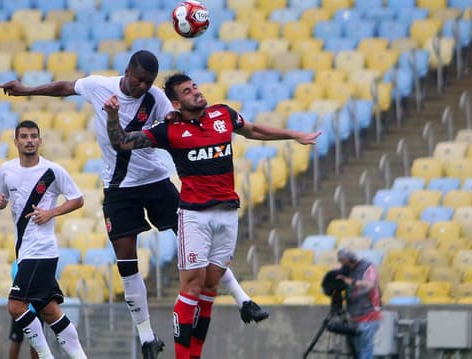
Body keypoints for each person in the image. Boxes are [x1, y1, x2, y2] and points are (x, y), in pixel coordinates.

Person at [0, 50, 269, 358]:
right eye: (139, 80)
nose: (143, 86)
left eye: (149, 82)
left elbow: (178, 119)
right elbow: (64, 88)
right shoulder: (101, 86)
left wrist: (175, 118)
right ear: (127, 71)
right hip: (118, 190)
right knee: (127, 262)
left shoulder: (156, 98)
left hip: (155, 182)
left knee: (193, 240)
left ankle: (243, 298)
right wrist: (27, 90)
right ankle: (147, 337)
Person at [102, 72, 321, 359]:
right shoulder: (169, 130)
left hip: (228, 213)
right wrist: (112, 116)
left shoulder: (223, 114)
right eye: (187, 91)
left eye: (194, 87)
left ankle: (194, 355)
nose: (195, 92)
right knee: (191, 286)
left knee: (209, 288)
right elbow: (123, 142)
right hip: (194, 217)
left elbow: (253, 130)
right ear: (176, 104)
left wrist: (294, 135)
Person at [0, 120, 88, 359]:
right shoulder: (6, 170)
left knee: (15, 306)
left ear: (40, 141)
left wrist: (51, 212)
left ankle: (46, 357)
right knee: (49, 310)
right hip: (24, 251)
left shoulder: (52, 171)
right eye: (24, 136)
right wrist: (0, 202)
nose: (29, 140)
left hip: (42, 250)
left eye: (33, 136)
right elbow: (0, 196)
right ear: (16, 142)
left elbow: (78, 199)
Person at [335, 248, 382, 359]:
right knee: (357, 351)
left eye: (344, 262)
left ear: (350, 260)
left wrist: (353, 282)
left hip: (369, 314)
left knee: (366, 348)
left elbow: (370, 285)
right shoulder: (346, 270)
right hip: (354, 315)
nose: (343, 265)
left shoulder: (367, 267)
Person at [9, 261, 40, 359]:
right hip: (21, 309)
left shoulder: (36, 262)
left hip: (33, 309)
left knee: (36, 343)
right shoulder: (18, 263)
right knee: (17, 340)